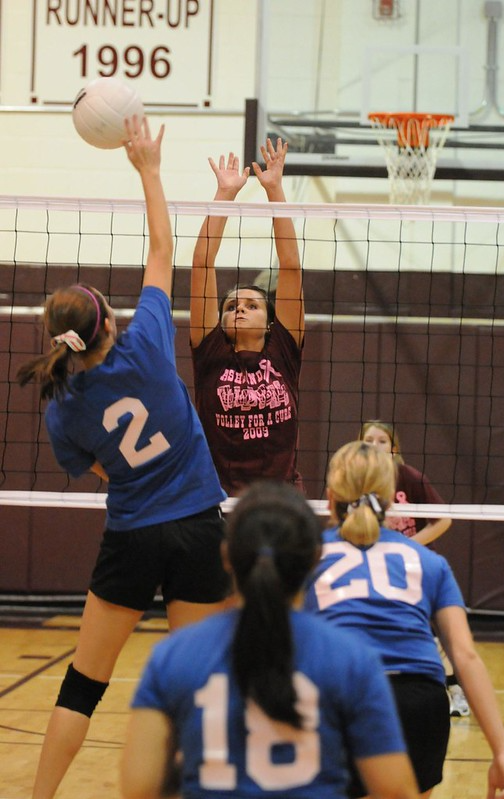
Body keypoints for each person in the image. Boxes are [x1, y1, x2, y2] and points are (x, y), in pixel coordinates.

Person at [17, 117, 230, 799]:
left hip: (133, 534)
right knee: (198, 684)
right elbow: (163, 246)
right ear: (108, 320)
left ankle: (38, 794)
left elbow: (98, 467)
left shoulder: (63, 404)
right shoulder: (148, 344)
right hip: (198, 523)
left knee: (84, 682)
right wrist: (148, 167)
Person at [121, 481, 420, 799]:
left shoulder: (172, 657)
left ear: (226, 557)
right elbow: (396, 792)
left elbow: (139, 789)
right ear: (316, 559)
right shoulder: (352, 660)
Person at [304, 441, 504, 799]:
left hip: (342, 695)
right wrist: (502, 751)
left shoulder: (305, 559)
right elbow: (465, 658)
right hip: (419, 703)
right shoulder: (428, 562)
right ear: (393, 500)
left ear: (329, 497)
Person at [190, 138, 305, 496]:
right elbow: (202, 263)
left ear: (270, 322)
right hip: (220, 500)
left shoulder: (284, 349)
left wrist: (275, 189)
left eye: (252, 305)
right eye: (230, 306)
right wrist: (224, 194)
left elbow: (290, 266)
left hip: (281, 499)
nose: (238, 308)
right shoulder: (210, 352)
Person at [358, 420, 469, 717]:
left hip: (414, 565)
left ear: (393, 448)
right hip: (379, 566)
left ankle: (457, 690)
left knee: (437, 633)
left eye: (381, 440)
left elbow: (443, 520)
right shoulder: (358, 480)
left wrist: (408, 546)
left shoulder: (409, 477)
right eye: (368, 440)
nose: (375, 445)